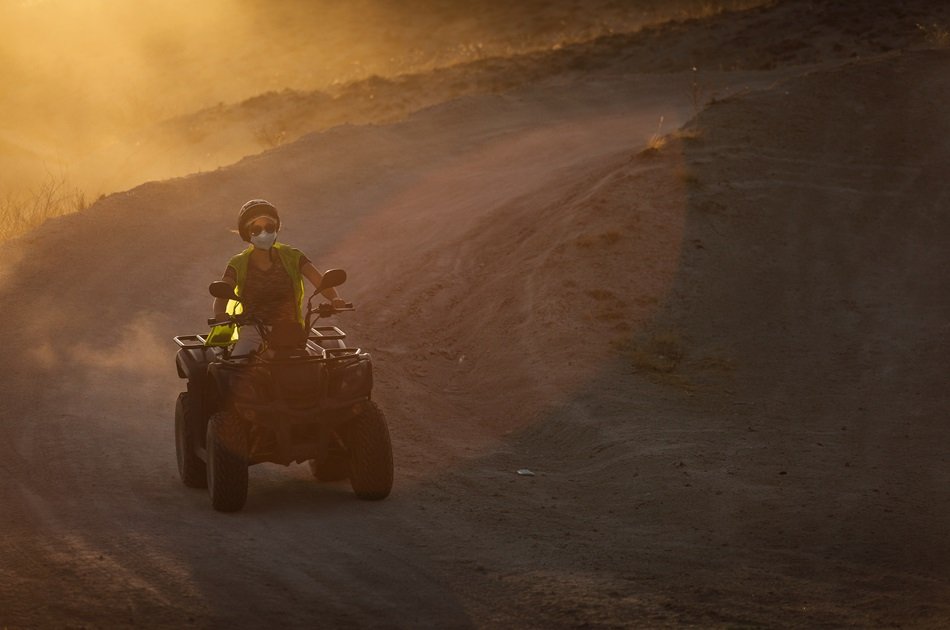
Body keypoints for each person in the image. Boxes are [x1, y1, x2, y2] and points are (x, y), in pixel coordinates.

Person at [208, 199, 346, 355]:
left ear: (276, 228)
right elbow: (221, 295)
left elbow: (321, 282)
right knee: (237, 368)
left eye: (269, 227)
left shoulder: (293, 256)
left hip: (291, 332)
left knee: (326, 366)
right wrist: (220, 314)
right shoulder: (237, 263)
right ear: (246, 233)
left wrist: (334, 299)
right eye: (256, 229)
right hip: (253, 333)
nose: (264, 233)